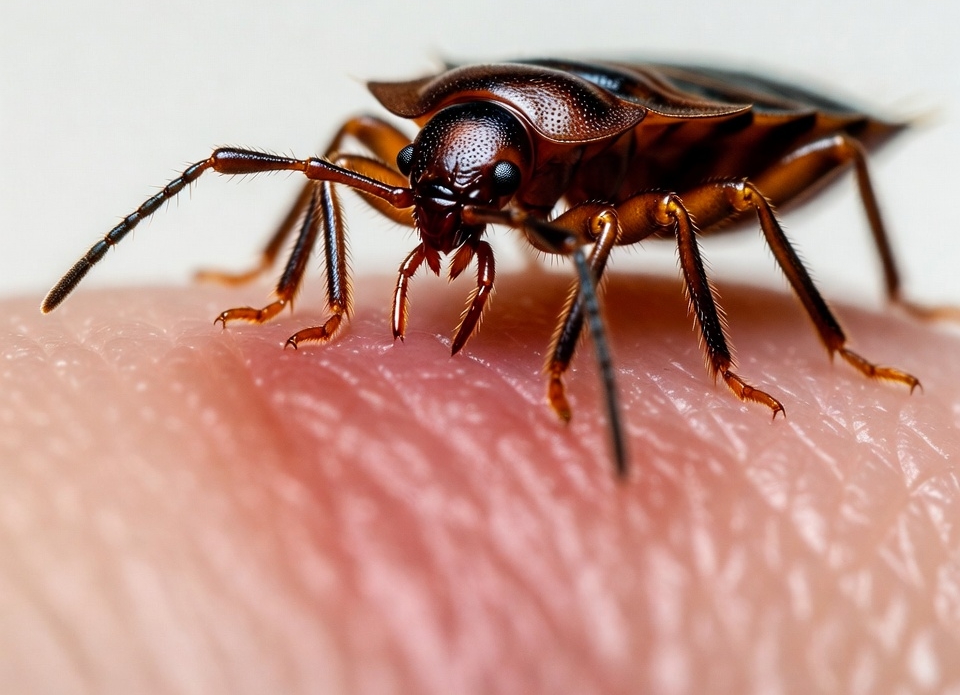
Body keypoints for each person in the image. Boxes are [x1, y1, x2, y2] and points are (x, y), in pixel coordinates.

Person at [2, 265, 958, 694]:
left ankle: (774, 356)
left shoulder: (598, 191)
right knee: (341, 152)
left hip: (646, 134)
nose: (444, 234)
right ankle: (298, 293)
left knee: (706, 204)